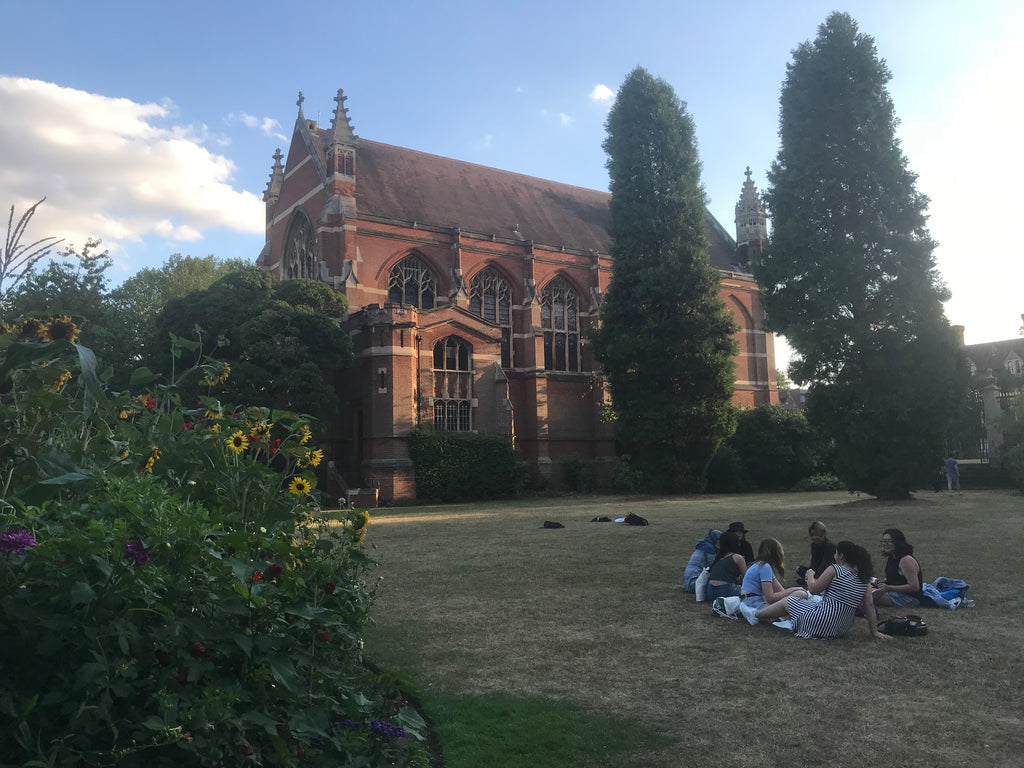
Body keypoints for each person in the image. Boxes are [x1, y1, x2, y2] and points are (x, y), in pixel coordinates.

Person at [757, 541, 890, 641]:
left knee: (789, 601)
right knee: (808, 605)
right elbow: (869, 605)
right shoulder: (864, 579)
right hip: (842, 628)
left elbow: (814, 590)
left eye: (836, 553)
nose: (834, 555)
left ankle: (757, 614)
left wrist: (810, 575)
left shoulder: (835, 569)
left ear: (842, 556)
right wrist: (874, 632)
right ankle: (774, 616)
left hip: (822, 621)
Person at [738, 537, 807, 624]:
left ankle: (785, 617)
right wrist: (794, 589)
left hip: (751, 600)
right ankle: (757, 614)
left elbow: (781, 592)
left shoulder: (761, 565)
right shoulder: (764, 567)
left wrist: (793, 592)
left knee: (797, 596)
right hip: (754, 602)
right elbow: (770, 597)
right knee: (801, 594)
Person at [872, 528, 923, 608]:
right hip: (895, 593)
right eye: (883, 541)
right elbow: (895, 578)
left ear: (898, 542)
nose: (885, 544)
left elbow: (914, 587)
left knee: (866, 596)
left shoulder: (906, 560)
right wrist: (882, 583)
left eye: (888, 541)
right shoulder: (892, 557)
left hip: (909, 599)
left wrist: (888, 588)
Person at [706, 531, 749, 601]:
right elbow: (748, 577)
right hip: (726, 590)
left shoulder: (718, 558)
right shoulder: (737, 557)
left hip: (711, 592)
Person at [796, 521, 837, 588]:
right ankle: (810, 581)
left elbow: (825, 564)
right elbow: (814, 563)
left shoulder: (830, 546)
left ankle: (811, 582)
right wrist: (810, 573)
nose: (814, 538)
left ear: (823, 535)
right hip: (817, 571)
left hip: (828, 573)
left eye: (817, 535)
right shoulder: (814, 546)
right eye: (812, 535)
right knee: (799, 569)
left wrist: (813, 577)